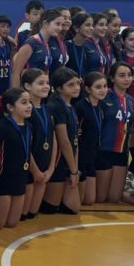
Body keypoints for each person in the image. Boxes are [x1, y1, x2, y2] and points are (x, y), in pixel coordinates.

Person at [0, 87, 34, 229]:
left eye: (29, 102)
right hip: (3, 180)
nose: (29, 106)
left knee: (12, 223)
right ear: (10, 107)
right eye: (24, 102)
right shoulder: (2, 128)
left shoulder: (29, 127)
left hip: (20, 178)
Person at [42, 66, 82, 215]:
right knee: (50, 209)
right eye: (71, 85)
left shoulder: (71, 106)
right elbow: (63, 141)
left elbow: (74, 141)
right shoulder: (56, 106)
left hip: (69, 160)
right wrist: (73, 171)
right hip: (58, 161)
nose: (76, 88)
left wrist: (75, 169)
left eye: (77, 84)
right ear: (59, 88)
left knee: (73, 208)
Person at [95, 62, 134, 204]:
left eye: (129, 75)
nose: (126, 79)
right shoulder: (103, 97)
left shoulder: (131, 100)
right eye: (122, 75)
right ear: (112, 78)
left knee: (114, 199)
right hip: (104, 150)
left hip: (121, 152)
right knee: (100, 198)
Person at [21, 68, 54, 221]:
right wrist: (35, 171)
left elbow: (54, 140)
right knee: (23, 216)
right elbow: (25, 145)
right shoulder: (26, 111)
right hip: (30, 169)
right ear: (27, 86)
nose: (46, 86)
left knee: (32, 214)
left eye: (47, 83)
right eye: (40, 83)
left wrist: (51, 168)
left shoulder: (47, 109)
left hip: (44, 169)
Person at [75, 72, 107, 207]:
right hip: (80, 157)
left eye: (105, 86)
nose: (103, 90)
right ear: (88, 89)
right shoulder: (80, 107)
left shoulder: (101, 107)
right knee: (80, 201)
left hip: (92, 156)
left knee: (89, 201)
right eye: (98, 87)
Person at [12, 9, 61, 87]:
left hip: (42, 88)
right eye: (57, 24)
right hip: (29, 89)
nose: (60, 28)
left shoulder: (48, 43)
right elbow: (16, 72)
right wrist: (16, 93)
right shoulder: (31, 43)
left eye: (61, 25)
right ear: (45, 23)